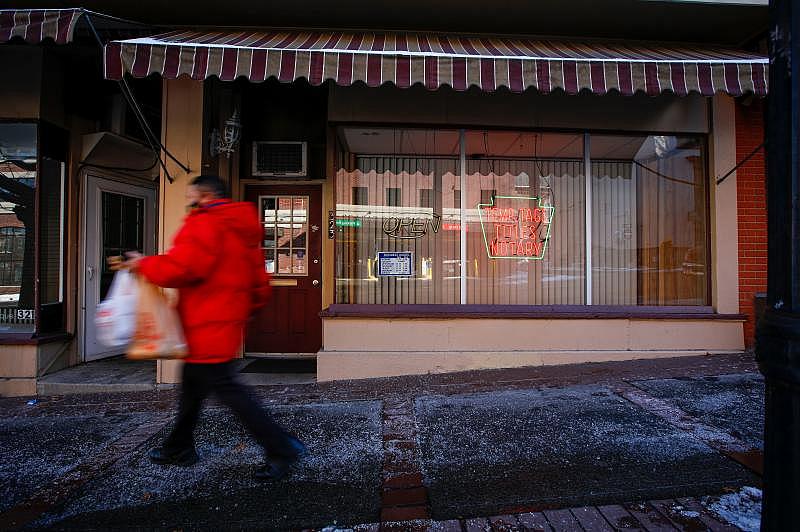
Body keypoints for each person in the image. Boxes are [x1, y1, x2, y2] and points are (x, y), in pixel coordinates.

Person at [124, 174, 306, 480]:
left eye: (191, 196)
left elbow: (183, 267)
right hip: (221, 323)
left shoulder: (205, 222)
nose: (189, 202)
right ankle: (178, 447)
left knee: (232, 394)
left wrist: (143, 264)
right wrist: (239, 312)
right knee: (193, 390)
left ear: (205, 196)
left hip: (202, 323)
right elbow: (260, 286)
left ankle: (281, 448)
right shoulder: (241, 229)